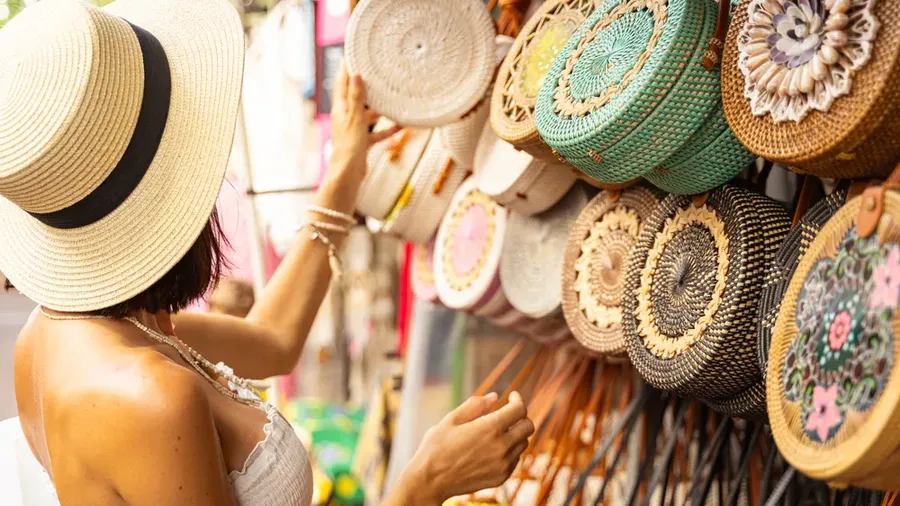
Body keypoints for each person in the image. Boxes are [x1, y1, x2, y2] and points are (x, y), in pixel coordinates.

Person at [0, 0, 534, 505]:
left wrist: (344, 174)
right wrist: (422, 484)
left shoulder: (65, 333)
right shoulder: (152, 398)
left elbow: (272, 341)